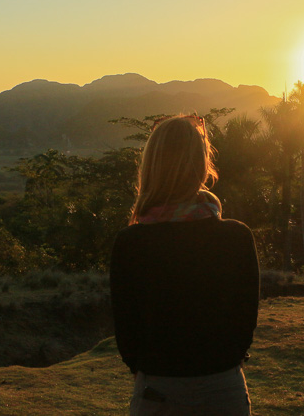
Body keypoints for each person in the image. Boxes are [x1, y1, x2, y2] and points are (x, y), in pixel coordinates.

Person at [110, 114, 260, 416]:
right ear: (203, 164)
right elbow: (244, 322)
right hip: (222, 389)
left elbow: (127, 332)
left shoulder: (130, 243)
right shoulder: (236, 237)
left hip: (157, 391)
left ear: (150, 166)